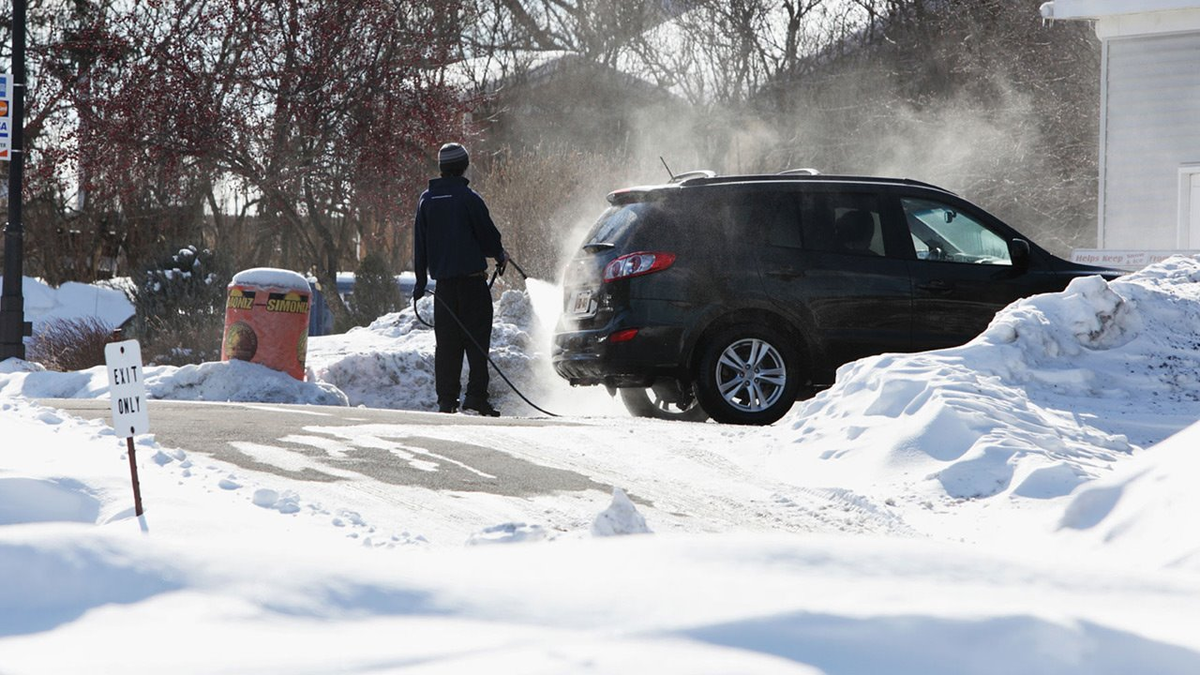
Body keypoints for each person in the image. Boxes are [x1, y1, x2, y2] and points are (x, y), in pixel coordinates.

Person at [412, 142, 508, 416]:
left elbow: (420, 246)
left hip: (443, 289)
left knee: (447, 345)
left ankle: (446, 400)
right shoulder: (469, 199)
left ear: (441, 168)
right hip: (472, 284)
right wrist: (500, 255)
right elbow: (489, 239)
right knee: (477, 343)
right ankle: (476, 397)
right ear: (464, 166)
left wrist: (420, 284)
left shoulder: (426, 201)